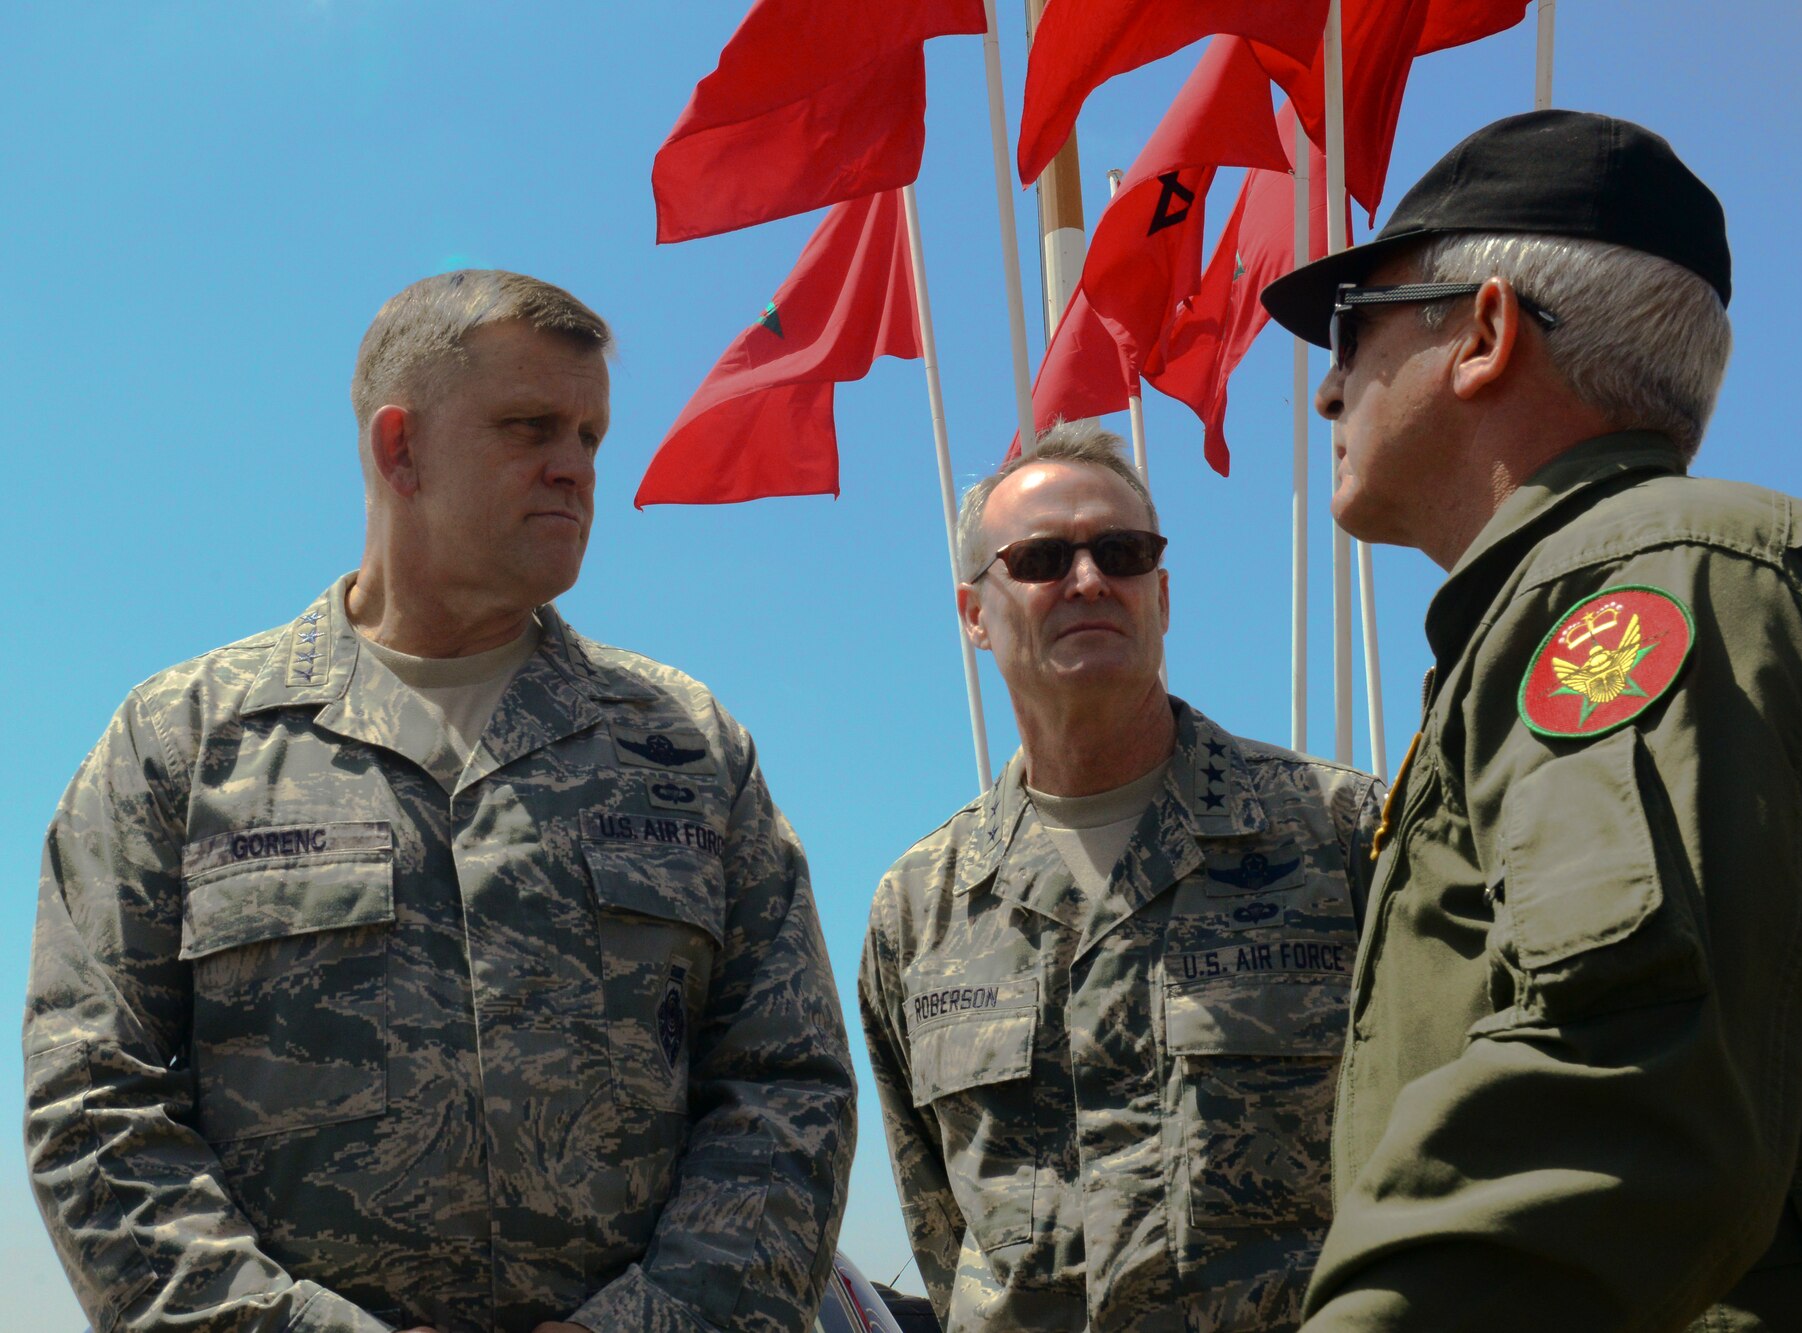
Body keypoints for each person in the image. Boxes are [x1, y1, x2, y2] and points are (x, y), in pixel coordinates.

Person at [1258, 109, 1802, 1330]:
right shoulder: (1629, 586)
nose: (1329, 384)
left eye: (1354, 326)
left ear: (1484, 333)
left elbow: (1618, 1083)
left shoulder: (1644, 586)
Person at [24, 270, 857, 1333]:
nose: (575, 469)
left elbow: (786, 1085)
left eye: (591, 436)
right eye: (530, 427)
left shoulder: (685, 745)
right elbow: (95, 1100)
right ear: (398, 448)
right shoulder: (184, 743)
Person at [857, 423, 1384, 1332]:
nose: (1090, 578)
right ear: (974, 613)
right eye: (1042, 557)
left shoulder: (1344, 836)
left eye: (1123, 551)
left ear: (1163, 595)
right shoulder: (921, 907)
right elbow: (944, 1231)